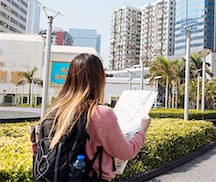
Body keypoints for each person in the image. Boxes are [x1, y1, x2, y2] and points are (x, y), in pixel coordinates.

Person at [38, 53, 151, 181]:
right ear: (99, 79)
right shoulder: (101, 113)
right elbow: (126, 152)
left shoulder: (54, 111)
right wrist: (141, 130)